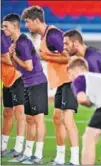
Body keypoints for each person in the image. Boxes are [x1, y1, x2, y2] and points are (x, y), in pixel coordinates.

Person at [21, 6, 79, 165]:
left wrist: (46, 56)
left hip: (71, 80)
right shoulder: (44, 36)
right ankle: (60, 158)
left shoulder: (53, 34)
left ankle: (75, 160)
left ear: (35, 20)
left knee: (67, 120)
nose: (26, 26)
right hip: (62, 82)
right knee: (57, 118)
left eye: (27, 22)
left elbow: (70, 57)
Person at [63, 29, 101, 165]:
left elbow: (98, 84)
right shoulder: (87, 56)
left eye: (67, 44)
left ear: (76, 43)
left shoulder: (91, 58)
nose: (64, 47)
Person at [3, 13, 48, 164]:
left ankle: (38, 156)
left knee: (38, 119)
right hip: (28, 83)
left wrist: (13, 57)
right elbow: (19, 68)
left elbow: (28, 66)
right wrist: (12, 56)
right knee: (29, 119)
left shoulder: (22, 43)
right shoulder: (14, 42)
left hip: (37, 83)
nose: (3, 29)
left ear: (15, 26)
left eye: (6, 26)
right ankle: (28, 153)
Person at [1, 30, 25, 158]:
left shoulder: (5, 37)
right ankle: (2, 146)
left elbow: (8, 58)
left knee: (19, 111)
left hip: (17, 78)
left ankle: (19, 148)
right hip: (7, 79)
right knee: (7, 112)